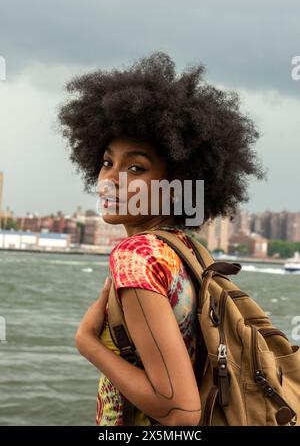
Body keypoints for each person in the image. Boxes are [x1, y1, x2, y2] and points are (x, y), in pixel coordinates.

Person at [57, 51, 265, 426]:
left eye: (136, 167)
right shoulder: (186, 248)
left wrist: (87, 343)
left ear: (175, 188)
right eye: (107, 162)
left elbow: (180, 412)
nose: (111, 179)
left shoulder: (137, 255)